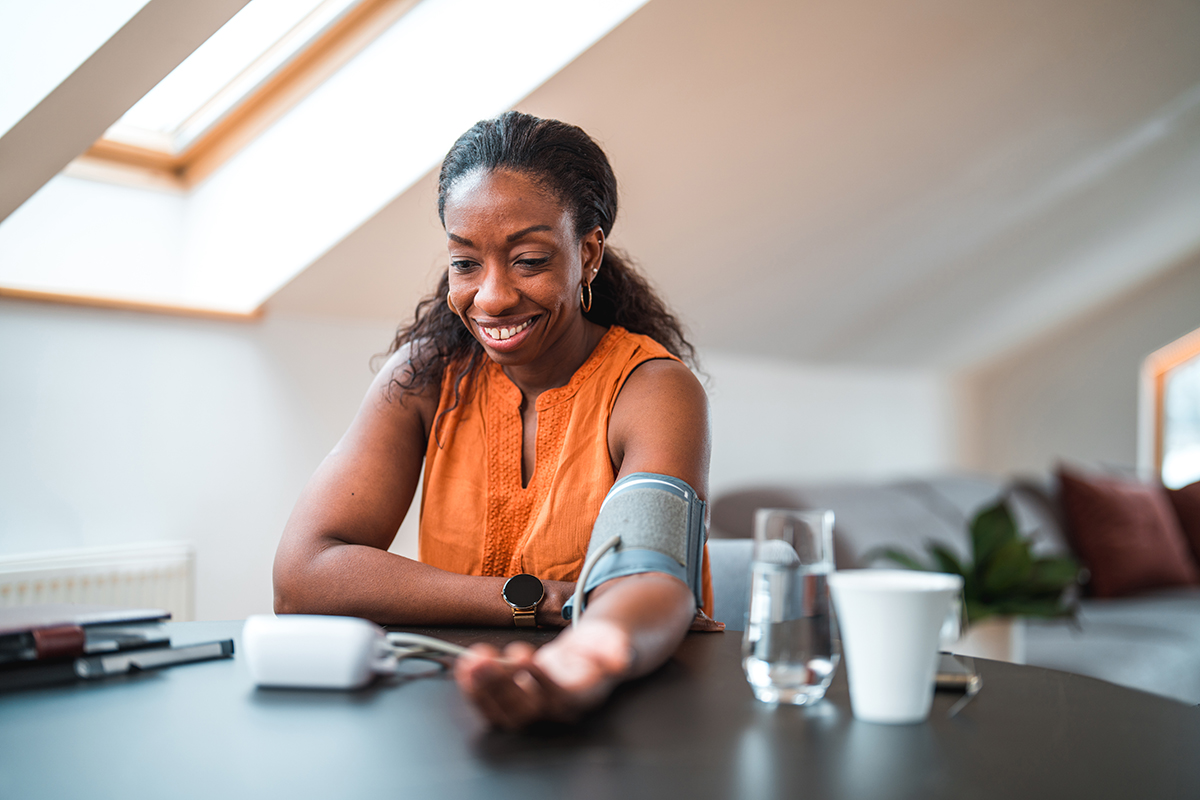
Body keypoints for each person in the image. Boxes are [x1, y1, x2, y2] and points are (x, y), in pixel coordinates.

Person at [273, 111, 721, 729]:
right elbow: (303, 577)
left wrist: (579, 663)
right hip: (454, 706)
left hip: (623, 713)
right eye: (465, 263)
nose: (490, 297)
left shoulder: (652, 389)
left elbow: (651, 575)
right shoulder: (426, 377)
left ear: (587, 253)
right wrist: (534, 601)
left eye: (529, 260)